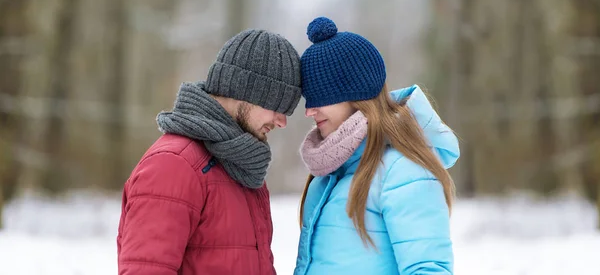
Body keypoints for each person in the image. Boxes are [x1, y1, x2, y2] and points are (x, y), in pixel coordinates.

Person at [117, 29, 302, 275]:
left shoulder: (242, 166)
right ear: (244, 91)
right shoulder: (175, 165)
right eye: (277, 106)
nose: (281, 121)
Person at [293, 17, 460, 275]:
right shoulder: (327, 178)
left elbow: (428, 269)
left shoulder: (403, 171)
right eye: (307, 98)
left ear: (355, 95)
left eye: (320, 97)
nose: (309, 110)